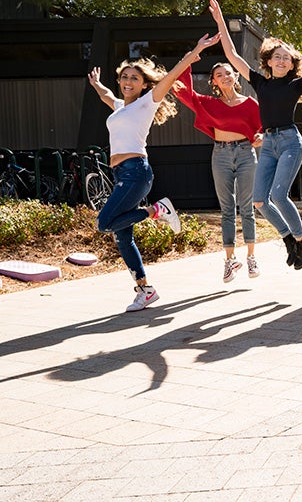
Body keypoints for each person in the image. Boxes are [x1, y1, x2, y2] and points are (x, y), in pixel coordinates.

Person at [211, 0, 302, 269]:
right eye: (278, 56)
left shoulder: (297, 84)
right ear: (269, 61)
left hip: (290, 142)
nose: (282, 60)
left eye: (287, 57)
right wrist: (220, 22)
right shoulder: (260, 82)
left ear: (292, 63)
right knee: (260, 200)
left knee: (278, 195)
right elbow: (232, 56)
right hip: (270, 142)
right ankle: (290, 240)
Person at [88, 34, 218, 312]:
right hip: (122, 174)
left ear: (145, 84)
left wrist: (195, 50)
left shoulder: (148, 102)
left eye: (134, 78)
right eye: (124, 76)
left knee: (104, 223)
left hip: (136, 173)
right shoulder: (122, 107)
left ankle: (157, 210)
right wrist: (98, 84)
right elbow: (108, 96)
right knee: (123, 236)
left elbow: (170, 76)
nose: (127, 81)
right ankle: (145, 290)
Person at [171, 58, 263, 282]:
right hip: (220, 154)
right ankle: (230, 261)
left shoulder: (251, 103)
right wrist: (191, 58)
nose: (225, 77)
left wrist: (262, 137)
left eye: (228, 73)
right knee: (227, 209)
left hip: (245, 153)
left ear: (236, 76)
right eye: (219, 75)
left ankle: (251, 258)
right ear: (213, 82)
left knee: (248, 208)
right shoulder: (208, 103)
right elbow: (182, 91)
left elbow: (265, 127)